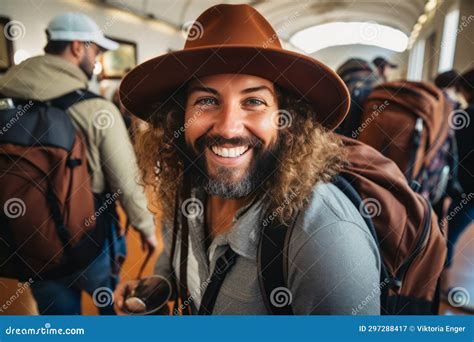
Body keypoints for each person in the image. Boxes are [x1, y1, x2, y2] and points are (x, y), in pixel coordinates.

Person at [114, 4, 380, 315]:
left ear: (287, 119)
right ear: (178, 117)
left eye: (253, 101)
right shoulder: (188, 185)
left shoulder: (326, 239)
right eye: (207, 101)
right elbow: (183, 257)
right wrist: (160, 283)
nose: (228, 127)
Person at [0, 12, 157, 314]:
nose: (96, 59)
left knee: (58, 323)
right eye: (95, 50)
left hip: (32, 245)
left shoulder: (7, 98)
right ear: (77, 47)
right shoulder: (95, 109)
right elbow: (125, 182)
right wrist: (147, 229)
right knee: (110, 306)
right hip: (91, 239)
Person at [445, 69, 474, 267]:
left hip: (466, 186)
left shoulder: (465, 116)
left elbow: (455, 152)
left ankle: (436, 275)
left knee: (450, 233)